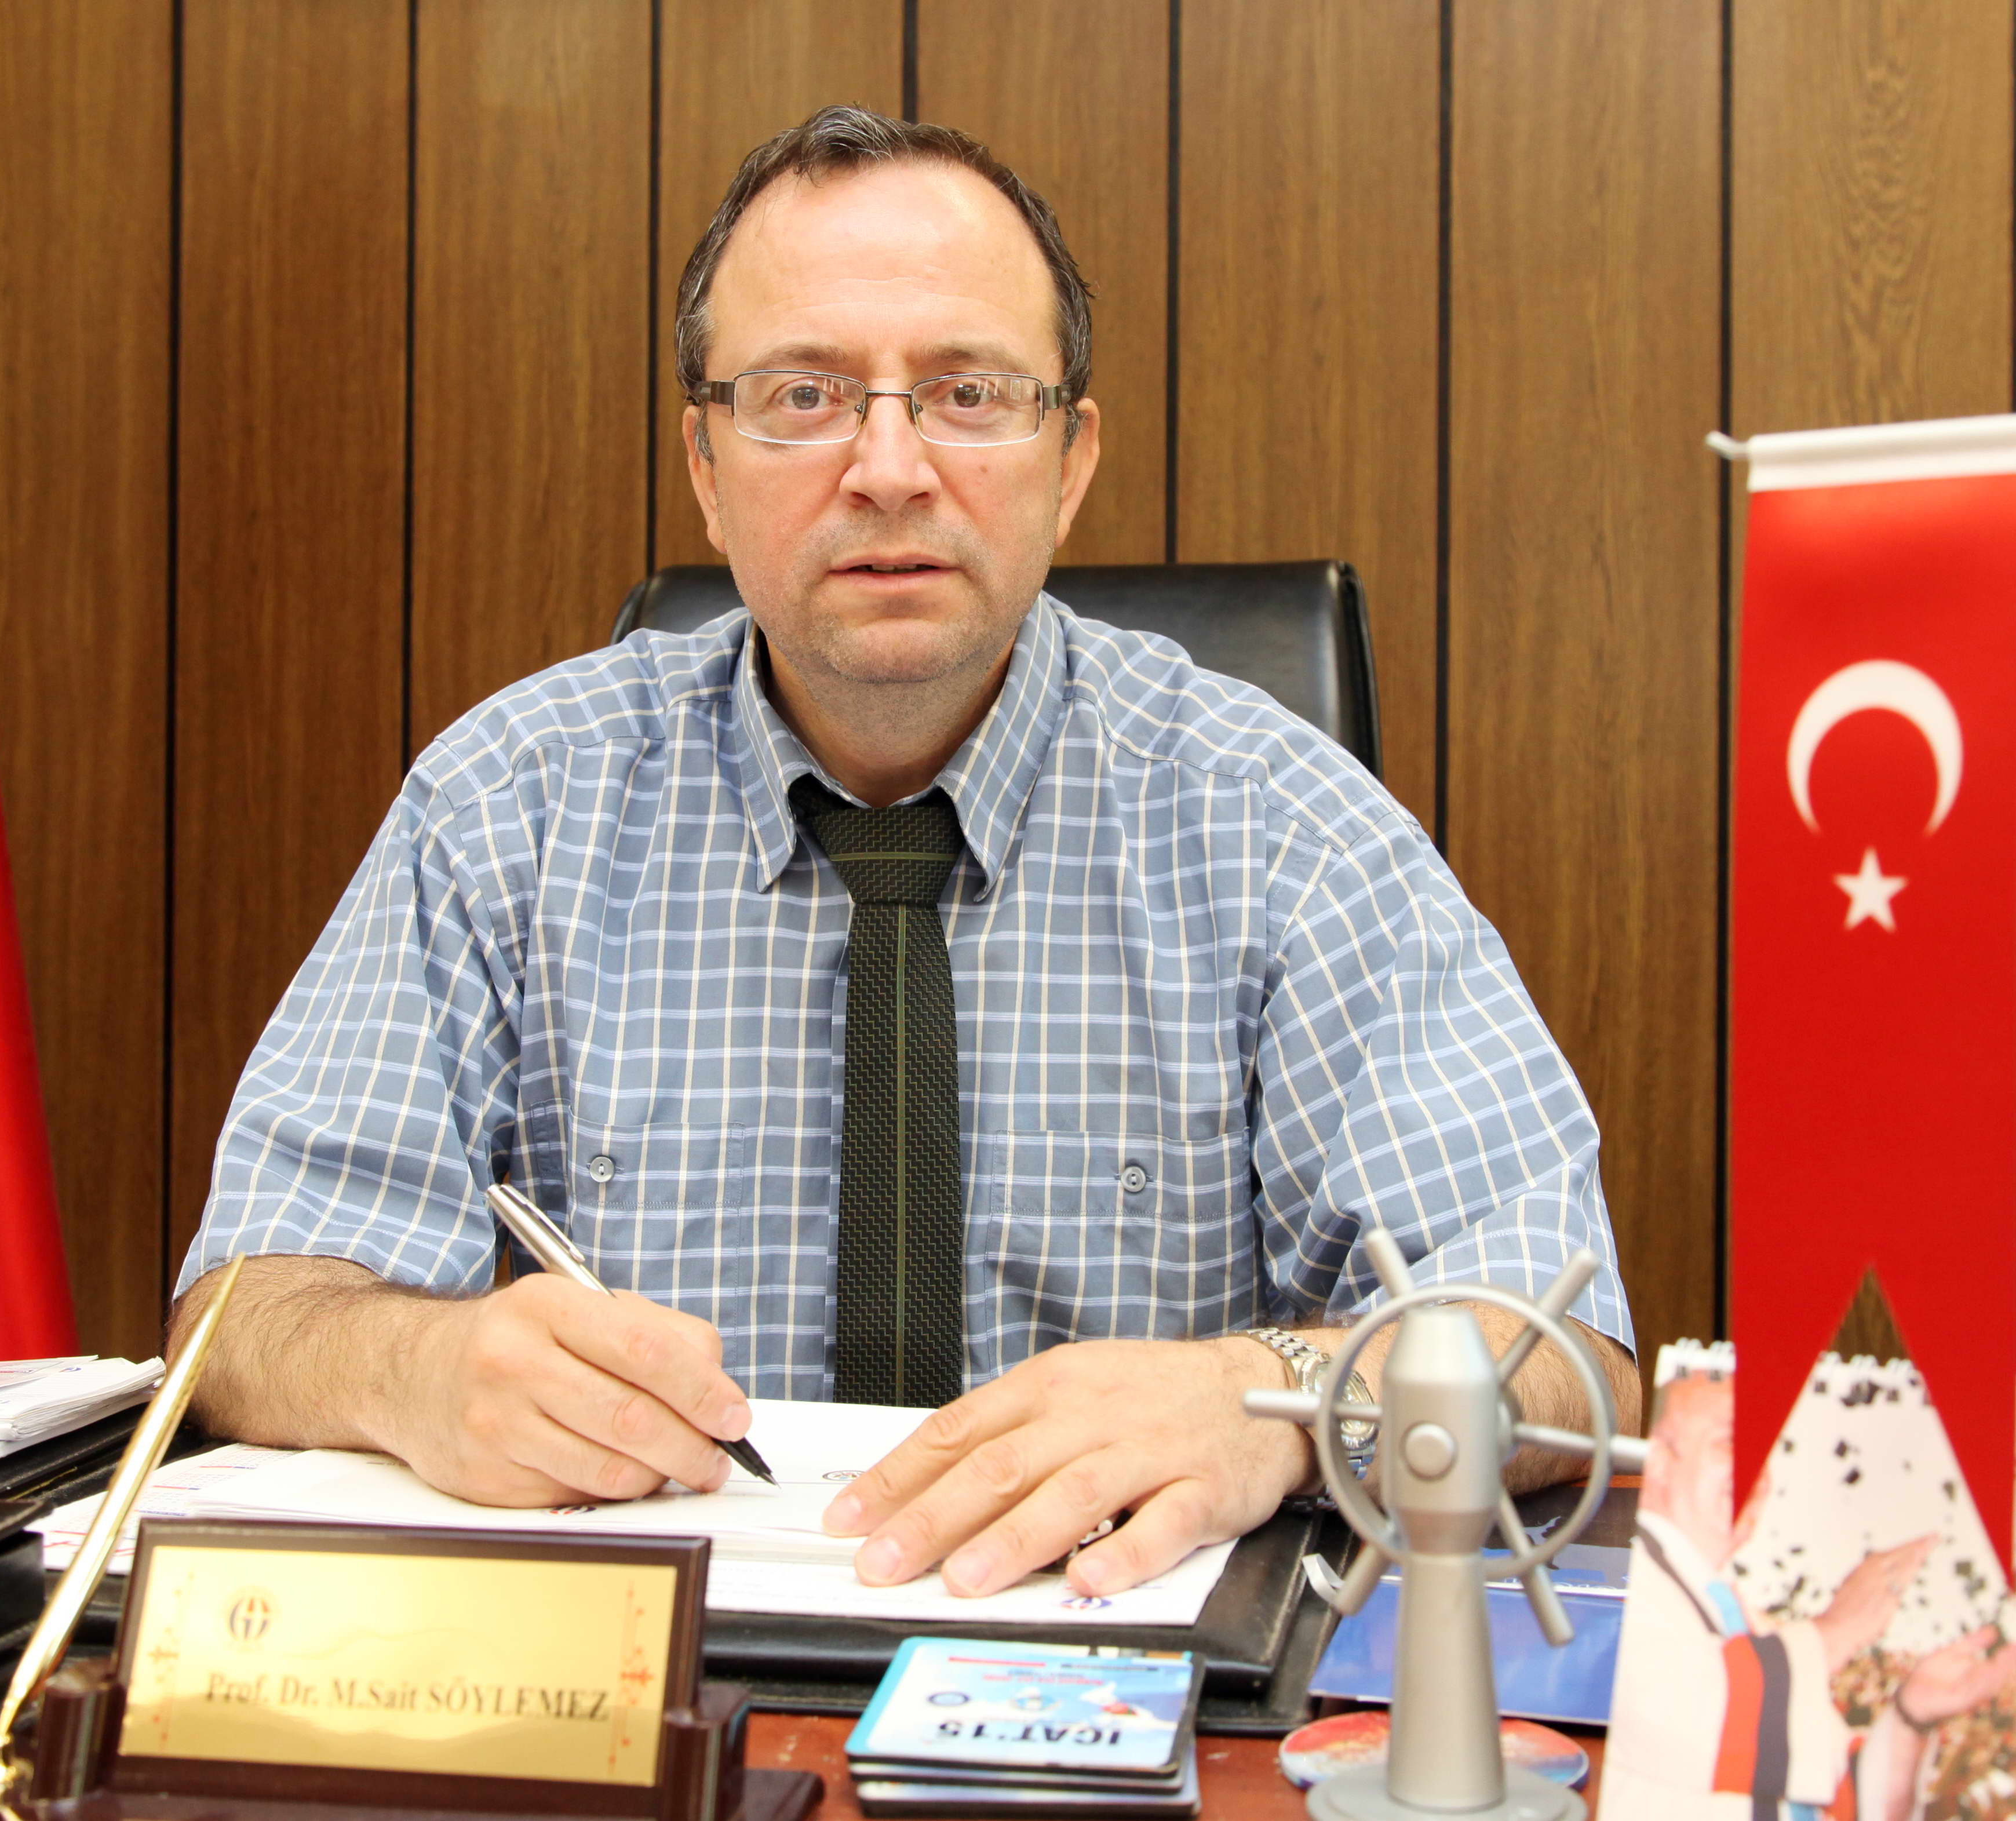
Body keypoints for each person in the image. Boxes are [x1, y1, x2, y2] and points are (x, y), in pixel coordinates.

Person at [169, 104, 1638, 1602]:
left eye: (968, 393)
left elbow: (1561, 1354)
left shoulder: (1279, 825)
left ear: (1069, 460)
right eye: (803, 394)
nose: (887, 466)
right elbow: (247, 1308)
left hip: (1113, 1660)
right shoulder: (508, 804)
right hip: (648, 1664)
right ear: (704, 462)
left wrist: (1263, 1396)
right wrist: (419, 1366)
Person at [1610, 1370, 2016, 1821]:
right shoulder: (1633, 1590)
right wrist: (1837, 1630)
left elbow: (1842, 1795)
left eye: (1763, 1450)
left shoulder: (1743, 1618)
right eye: (1729, 1443)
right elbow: (1689, 1720)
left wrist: (1912, 1713)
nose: (1755, 1472)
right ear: (1658, 1462)